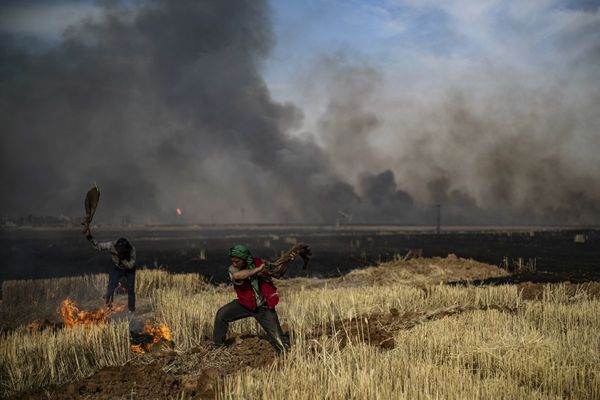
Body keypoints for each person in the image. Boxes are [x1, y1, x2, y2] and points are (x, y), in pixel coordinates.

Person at [213, 245, 295, 354]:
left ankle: (286, 355)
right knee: (221, 315)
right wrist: (257, 270)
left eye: (237, 261)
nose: (234, 263)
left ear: (245, 259)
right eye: (232, 261)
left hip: (263, 308)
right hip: (244, 304)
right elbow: (238, 276)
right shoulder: (233, 269)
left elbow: (277, 273)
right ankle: (218, 347)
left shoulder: (259, 263)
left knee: (279, 340)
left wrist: (287, 261)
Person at [83, 228, 136, 312]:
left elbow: (131, 265)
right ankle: (108, 307)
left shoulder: (132, 249)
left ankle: (131, 309)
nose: (121, 253)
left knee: (131, 289)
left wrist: (123, 260)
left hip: (129, 269)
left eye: (123, 252)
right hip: (116, 267)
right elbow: (98, 246)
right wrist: (89, 237)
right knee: (110, 287)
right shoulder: (111, 245)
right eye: (120, 252)